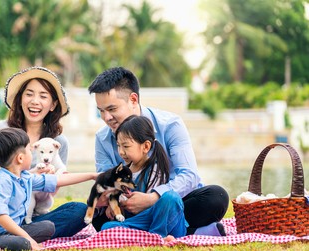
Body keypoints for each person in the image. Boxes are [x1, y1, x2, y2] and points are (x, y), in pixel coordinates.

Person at [0, 66, 87, 243]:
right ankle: (7, 233)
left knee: (79, 211)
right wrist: (32, 175)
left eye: (43, 96)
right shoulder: (1, 131)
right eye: (29, 94)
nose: (35, 101)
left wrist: (51, 180)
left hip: (32, 217)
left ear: (53, 105)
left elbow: (51, 191)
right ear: (20, 99)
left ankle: (6, 236)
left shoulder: (59, 142)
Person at [88, 66, 229, 236]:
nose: (106, 118)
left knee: (216, 197)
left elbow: (188, 175)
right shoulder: (102, 138)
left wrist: (153, 198)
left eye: (112, 109)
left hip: (171, 203)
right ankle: (191, 232)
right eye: (101, 111)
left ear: (133, 100)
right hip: (130, 208)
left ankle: (140, 233)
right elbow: (106, 181)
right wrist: (117, 199)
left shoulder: (170, 125)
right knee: (97, 215)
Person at [0, 127, 97, 251]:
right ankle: (3, 241)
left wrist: (92, 176)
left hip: (14, 228)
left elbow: (57, 180)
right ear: (20, 158)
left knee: (48, 227)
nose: (32, 153)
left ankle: (17, 238)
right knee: (23, 243)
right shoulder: (2, 181)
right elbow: (0, 216)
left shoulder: (25, 177)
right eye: (30, 150)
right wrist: (29, 240)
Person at [101, 115, 187, 240]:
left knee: (171, 198)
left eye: (126, 146)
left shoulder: (154, 170)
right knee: (107, 228)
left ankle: (157, 236)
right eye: (118, 145)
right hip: (141, 223)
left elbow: (154, 206)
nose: (120, 151)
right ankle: (149, 237)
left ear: (145, 147)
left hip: (164, 222)